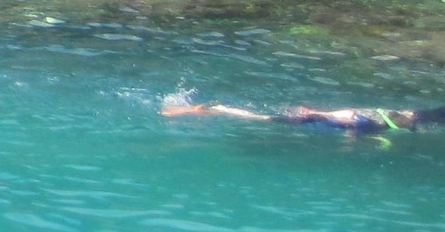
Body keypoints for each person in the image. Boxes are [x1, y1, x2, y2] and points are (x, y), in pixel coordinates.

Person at [165, 97, 445, 134]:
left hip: (318, 117)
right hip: (314, 119)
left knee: (261, 117)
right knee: (259, 119)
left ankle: (211, 108)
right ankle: (212, 108)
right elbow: (348, 116)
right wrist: (315, 113)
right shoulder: (371, 122)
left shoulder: (388, 116)